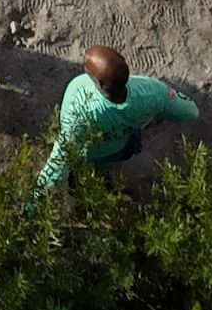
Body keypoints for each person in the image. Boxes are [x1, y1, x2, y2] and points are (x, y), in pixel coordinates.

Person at [32, 45, 198, 200]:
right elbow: (190, 112)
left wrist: (31, 206)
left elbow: (56, 167)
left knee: (78, 167)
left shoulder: (79, 115)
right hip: (121, 147)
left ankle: (80, 183)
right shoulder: (153, 91)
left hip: (90, 152)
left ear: (98, 83)